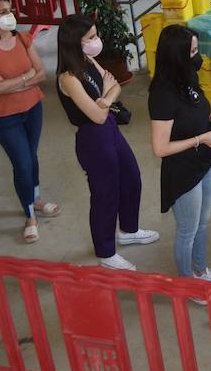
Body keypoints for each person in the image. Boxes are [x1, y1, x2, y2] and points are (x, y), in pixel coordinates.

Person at [57, 14, 158, 269]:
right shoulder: (68, 78)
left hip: (110, 128)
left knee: (132, 176)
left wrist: (106, 97)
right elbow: (97, 115)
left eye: (95, 35)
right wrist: (106, 95)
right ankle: (105, 251)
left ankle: (128, 229)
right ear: (74, 43)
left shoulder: (88, 60)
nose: (96, 41)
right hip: (93, 138)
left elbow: (116, 86)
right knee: (105, 194)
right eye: (90, 37)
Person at [0, 0, 60, 244]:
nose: (9, 15)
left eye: (10, 9)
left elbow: (41, 73)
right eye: (2, 12)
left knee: (31, 155)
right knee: (21, 162)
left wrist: (14, 83)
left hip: (33, 107)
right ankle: (29, 215)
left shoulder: (23, 38)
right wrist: (25, 79)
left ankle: (36, 197)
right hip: (4, 115)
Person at [149, 24, 211, 284]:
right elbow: (160, 148)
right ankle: (187, 284)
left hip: (205, 161)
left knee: (203, 222)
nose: (198, 56)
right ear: (176, 56)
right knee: (188, 230)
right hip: (183, 171)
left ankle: (200, 270)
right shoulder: (162, 95)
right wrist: (201, 138)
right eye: (193, 51)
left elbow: (199, 105)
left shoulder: (187, 77)